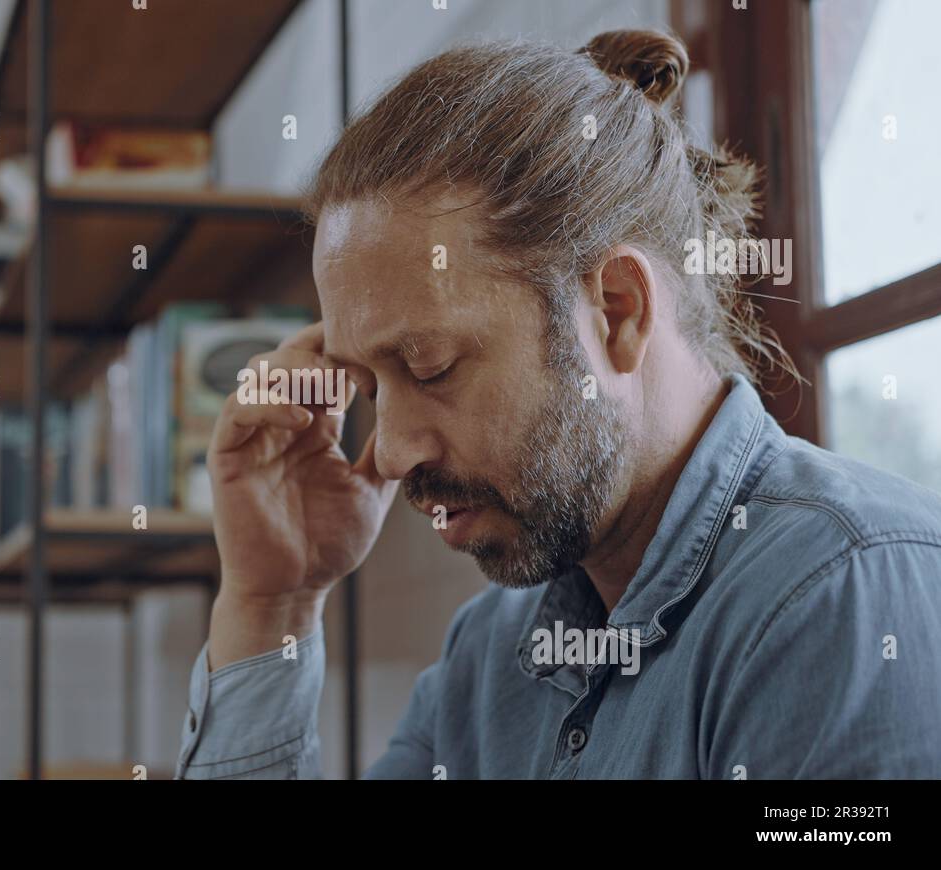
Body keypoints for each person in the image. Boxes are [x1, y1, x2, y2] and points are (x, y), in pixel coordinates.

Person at [174, 30, 941, 779]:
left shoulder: (840, 596)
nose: (393, 450)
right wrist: (273, 603)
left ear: (616, 311)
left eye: (429, 366)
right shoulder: (488, 658)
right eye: (372, 389)